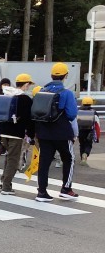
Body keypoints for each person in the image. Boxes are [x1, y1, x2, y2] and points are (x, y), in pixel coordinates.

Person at [34, 62, 79, 202]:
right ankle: (66, 189)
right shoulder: (67, 93)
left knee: (44, 162)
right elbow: (71, 114)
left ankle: (42, 192)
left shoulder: (41, 91)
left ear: (51, 75)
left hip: (44, 133)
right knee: (69, 159)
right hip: (62, 133)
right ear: (65, 75)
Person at [0, 73, 35, 195]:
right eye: (29, 85)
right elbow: (29, 119)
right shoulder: (25, 99)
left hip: (3, 132)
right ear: (26, 84)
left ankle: (4, 182)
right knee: (13, 160)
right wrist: (31, 134)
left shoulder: (6, 95)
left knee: (8, 157)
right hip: (16, 134)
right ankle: (6, 187)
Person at [78, 96, 100, 166]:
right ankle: (85, 154)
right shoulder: (94, 112)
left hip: (80, 131)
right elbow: (97, 124)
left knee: (81, 144)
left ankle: (82, 158)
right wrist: (97, 136)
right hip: (90, 131)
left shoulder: (78, 111)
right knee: (88, 144)